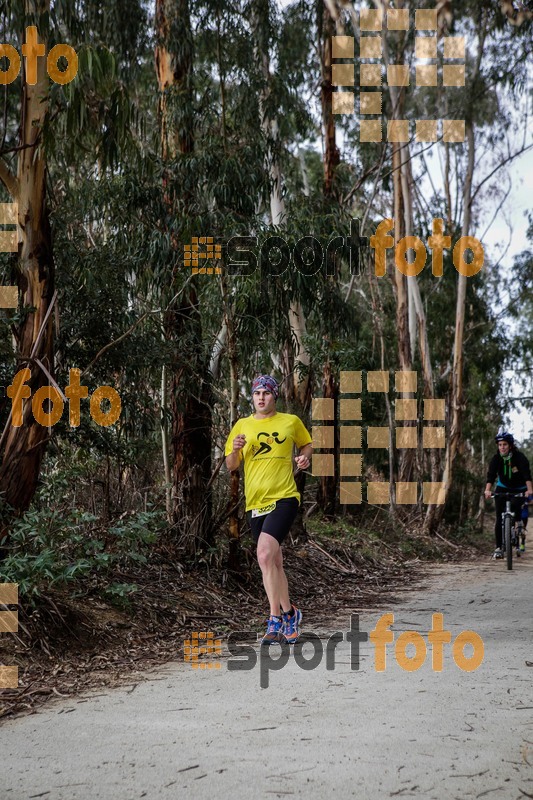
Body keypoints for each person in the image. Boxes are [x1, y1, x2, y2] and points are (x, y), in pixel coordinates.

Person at [224, 375, 312, 645]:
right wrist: (235, 450)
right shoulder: (242, 425)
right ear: (252, 397)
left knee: (263, 555)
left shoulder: (290, 422)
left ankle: (274, 619)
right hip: (256, 502)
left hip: (285, 496)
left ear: (275, 396)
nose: (261, 397)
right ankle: (290, 613)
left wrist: (304, 457)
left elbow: (306, 444)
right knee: (274, 562)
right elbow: (231, 465)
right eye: (257, 393)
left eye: (266, 393)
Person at [484, 429, 533, 559]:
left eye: (504, 444)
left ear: (510, 445)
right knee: (499, 517)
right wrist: (487, 490)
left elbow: (526, 474)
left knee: (515, 505)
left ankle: (517, 525)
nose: (502, 447)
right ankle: (499, 547)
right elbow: (491, 476)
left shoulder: (519, 457)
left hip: (519, 489)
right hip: (503, 487)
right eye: (500, 445)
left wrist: (529, 490)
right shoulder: (496, 458)